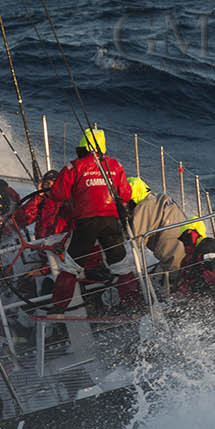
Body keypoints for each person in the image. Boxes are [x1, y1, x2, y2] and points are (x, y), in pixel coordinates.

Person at [49, 129, 135, 312]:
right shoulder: (116, 166)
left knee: (70, 268)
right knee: (121, 267)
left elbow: (58, 194)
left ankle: (58, 307)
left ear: (82, 146)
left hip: (86, 223)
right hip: (110, 222)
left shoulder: (74, 167)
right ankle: (135, 304)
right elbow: (126, 194)